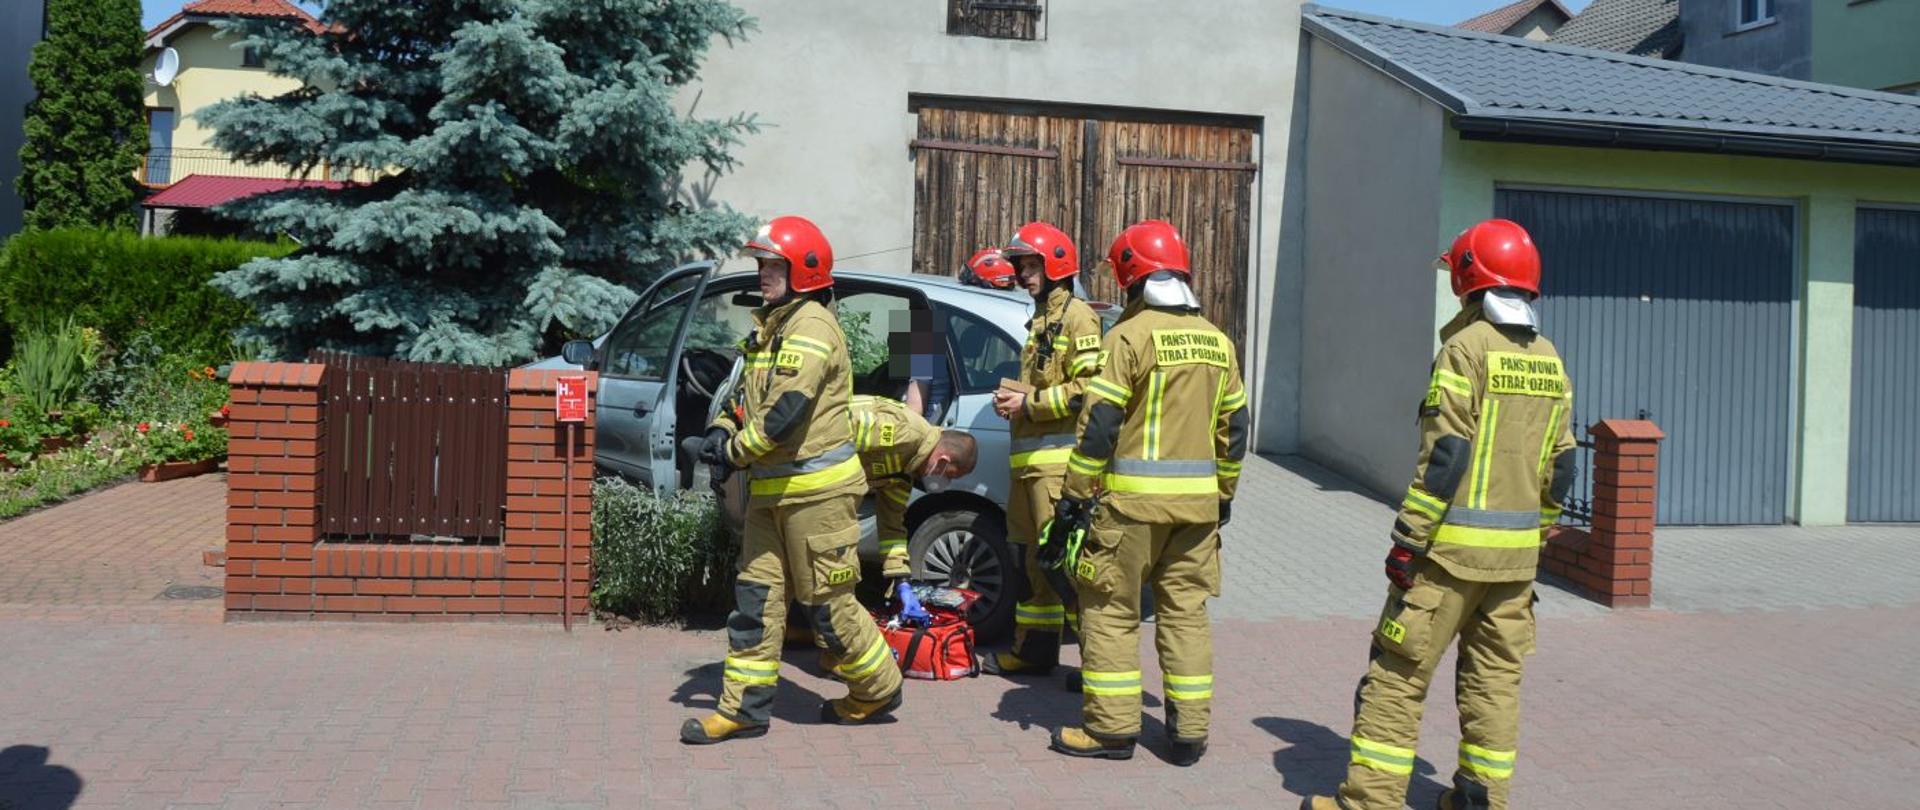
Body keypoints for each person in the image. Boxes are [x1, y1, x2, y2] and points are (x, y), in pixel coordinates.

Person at [1302, 219, 1575, 810]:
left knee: (1398, 674)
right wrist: (1537, 534)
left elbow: (1446, 457)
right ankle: (1481, 797)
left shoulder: (1463, 350)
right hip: (1515, 566)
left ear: (1469, 280)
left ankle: (1370, 801)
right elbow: (1562, 466)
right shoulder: (1550, 359)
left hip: (1447, 557)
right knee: (1494, 681)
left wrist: (1409, 540)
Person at [681, 215, 904, 745]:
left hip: (818, 496)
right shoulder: (770, 328)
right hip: (771, 495)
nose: (762, 273)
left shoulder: (812, 327)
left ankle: (878, 687)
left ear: (804, 270)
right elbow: (746, 399)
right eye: (761, 264)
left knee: (827, 606)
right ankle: (743, 710)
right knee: (755, 604)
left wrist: (732, 453)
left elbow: (786, 412)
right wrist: (720, 429)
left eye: (772, 265)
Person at [1044, 220, 1246, 767]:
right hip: (1199, 512)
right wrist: (1223, 494)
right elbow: (1235, 429)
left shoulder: (1128, 337)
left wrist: (1073, 497)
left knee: (1110, 612)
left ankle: (1111, 730)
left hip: (1130, 510)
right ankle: (1189, 734)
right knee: (1186, 615)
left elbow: (1100, 427)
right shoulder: (1218, 341)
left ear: (1131, 278)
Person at [980, 221, 1104, 679]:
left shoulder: (1078, 317)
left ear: (1056, 267)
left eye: (1031, 266)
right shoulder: (1039, 320)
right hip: (1029, 470)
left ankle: (1099, 665)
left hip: (1056, 471)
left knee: (1064, 568)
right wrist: (1013, 399)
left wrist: (1028, 403)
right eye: (1021, 266)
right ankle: (1033, 652)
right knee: (1032, 565)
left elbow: (1089, 389)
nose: (1023, 275)